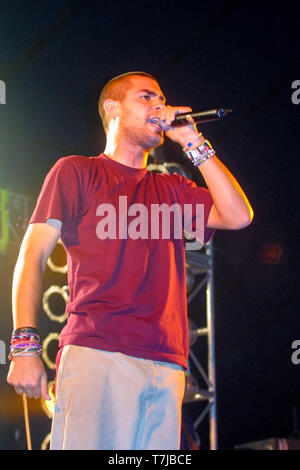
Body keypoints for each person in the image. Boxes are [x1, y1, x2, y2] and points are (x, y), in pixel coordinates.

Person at [7, 71, 253, 450]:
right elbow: (33, 254)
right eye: (146, 97)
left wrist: (193, 140)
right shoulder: (76, 171)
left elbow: (238, 216)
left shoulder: (171, 189)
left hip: (167, 362)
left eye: (162, 98)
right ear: (112, 108)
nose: (160, 105)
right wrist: (24, 346)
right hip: (97, 351)